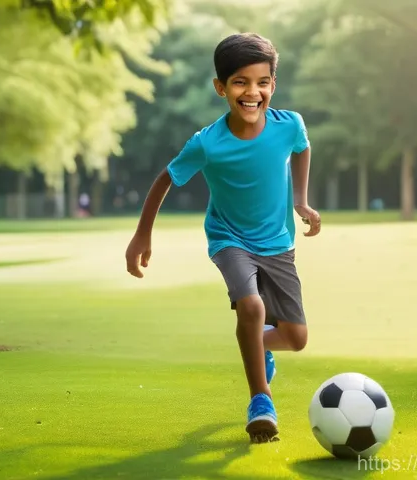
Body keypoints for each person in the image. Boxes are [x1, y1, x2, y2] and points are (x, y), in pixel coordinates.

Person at [124, 33, 321, 444]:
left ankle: (259, 348)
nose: (253, 92)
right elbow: (166, 178)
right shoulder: (207, 143)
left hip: (278, 243)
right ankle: (260, 401)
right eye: (240, 82)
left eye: (262, 82)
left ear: (273, 85)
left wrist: (301, 200)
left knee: (295, 338)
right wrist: (142, 235)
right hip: (229, 238)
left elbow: (302, 148)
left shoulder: (290, 125)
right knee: (250, 306)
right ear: (221, 87)